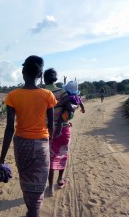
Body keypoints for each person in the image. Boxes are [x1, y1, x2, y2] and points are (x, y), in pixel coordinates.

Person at [0, 56, 57, 217]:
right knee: (37, 193)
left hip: (22, 146)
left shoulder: (13, 96)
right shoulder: (48, 95)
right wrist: (47, 145)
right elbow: (51, 126)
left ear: (23, 72)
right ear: (40, 75)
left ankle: (31, 211)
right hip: (42, 145)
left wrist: (1, 160)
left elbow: (9, 129)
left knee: (27, 186)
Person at [43, 68, 85, 196]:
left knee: (50, 158)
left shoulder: (41, 92)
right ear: (56, 78)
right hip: (63, 129)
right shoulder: (63, 92)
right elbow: (73, 107)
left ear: (44, 79)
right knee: (62, 154)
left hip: (46, 129)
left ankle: (49, 188)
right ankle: (60, 180)